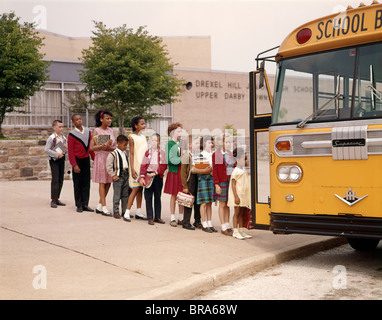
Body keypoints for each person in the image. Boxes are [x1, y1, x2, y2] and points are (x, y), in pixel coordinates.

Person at [67, 114, 95, 213]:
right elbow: (70, 151)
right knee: (78, 183)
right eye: (76, 120)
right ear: (73, 122)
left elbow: (90, 146)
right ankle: (79, 205)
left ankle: (85, 204)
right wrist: (74, 165)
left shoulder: (88, 132)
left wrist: (94, 157)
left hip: (86, 160)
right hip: (77, 161)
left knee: (86, 183)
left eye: (80, 119)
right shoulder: (72, 134)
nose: (79, 121)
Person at [90, 109, 116, 216]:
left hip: (110, 157)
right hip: (101, 158)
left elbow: (114, 147)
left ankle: (100, 204)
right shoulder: (96, 131)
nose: (109, 120)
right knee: (102, 181)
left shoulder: (110, 131)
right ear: (101, 119)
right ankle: (104, 207)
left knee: (109, 181)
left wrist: (109, 147)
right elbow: (92, 148)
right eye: (107, 118)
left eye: (110, 118)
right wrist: (102, 146)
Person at [180, 135, 208, 230]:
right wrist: (185, 186)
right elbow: (183, 173)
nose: (198, 145)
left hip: (198, 179)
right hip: (190, 180)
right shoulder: (186, 156)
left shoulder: (199, 155)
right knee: (189, 200)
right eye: (196, 143)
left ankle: (197, 220)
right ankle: (186, 222)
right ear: (190, 145)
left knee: (198, 201)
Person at [139, 133, 167, 225]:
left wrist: (156, 172)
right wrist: (142, 176)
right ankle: (150, 217)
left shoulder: (162, 153)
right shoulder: (147, 152)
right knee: (148, 196)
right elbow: (143, 165)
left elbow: (163, 165)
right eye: (152, 140)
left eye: (156, 140)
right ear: (150, 141)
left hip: (157, 176)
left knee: (157, 196)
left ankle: (157, 217)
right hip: (148, 176)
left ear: (159, 142)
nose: (154, 142)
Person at [125, 116, 148, 221]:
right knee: (135, 189)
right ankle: (127, 212)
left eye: (144, 123)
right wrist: (132, 169)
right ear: (135, 125)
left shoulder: (143, 137)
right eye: (142, 123)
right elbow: (132, 154)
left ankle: (139, 211)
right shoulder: (132, 138)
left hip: (143, 167)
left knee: (140, 189)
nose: (144, 125)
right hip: (136, 167)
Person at [227, 147, 252, 240]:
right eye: (244, 159)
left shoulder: (244, 170)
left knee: (242, 213)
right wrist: (236, 196)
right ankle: (235, 231)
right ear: (237, 160)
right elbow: (233, 185)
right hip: (238, 195)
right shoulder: (236, 171)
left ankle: (241, 230)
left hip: (243, 195)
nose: (245, 161)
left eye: (246, 159)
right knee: (236, 213)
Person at [212, 134, 235, 236]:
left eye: (230, 142)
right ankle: (223, 227)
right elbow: (215, 171)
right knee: (222, 204)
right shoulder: (216, 154)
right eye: (226, 142)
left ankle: (227, 224)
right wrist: (216, 184)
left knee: (228, 204)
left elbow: (232, 168)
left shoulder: (230, 154)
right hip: (221, 182)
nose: (228, 144)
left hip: (230, 182)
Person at [164, 122, 184, 227]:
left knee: (182, 195)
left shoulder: (182, 143)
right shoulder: (169, 144)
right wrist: (182, 160)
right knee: (174, 195)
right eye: (178, 131)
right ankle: (172, 217)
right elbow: (169, 159)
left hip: (182, 172)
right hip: (174, 171)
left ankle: (181, 217)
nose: (180, 133)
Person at [44, 119, 67, 208]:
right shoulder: (51, 138)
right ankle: (53, 200)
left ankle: (57, 198)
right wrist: (57, 155)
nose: (61, 128)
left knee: (61, 179)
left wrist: (65, 149)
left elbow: (65, 149)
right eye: (59, 127)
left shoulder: (63, 138)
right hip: (54, 160)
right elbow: (46, 149)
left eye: (62, 127)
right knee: (55, 179)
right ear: (54, 128)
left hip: (62, 159)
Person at [106, 135, 130, 220]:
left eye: (126, 145)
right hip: (118, 176)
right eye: (124, 145)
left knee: (125, 194)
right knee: (117, 194)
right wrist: (113, 175)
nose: (125, 146)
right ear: (118, 143)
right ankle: (116, 211)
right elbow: (108, 165)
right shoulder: (113, 154)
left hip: (126, 175)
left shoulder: (125, 153)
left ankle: (124, 211)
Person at [196, 135, 216, 233]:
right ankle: (204, 224)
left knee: (209, 203)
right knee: (203, 203)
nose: (211, 144)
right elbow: (199, 170)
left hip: (211, 180)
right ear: (203, 144)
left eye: (212, 142)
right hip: (203, 180)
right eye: (209, 142)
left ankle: (209, 223)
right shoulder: (200, 155)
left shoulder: (214, 155)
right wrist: (208, 171)